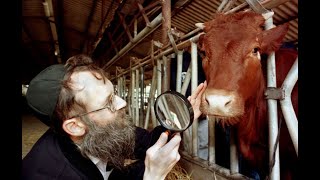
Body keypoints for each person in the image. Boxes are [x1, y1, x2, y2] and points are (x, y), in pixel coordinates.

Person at [22, 54, 207, 180]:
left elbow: (150, 142)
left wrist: (180, 119)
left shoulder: (103, 129)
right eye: (109, 101)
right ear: (75, 126)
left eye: (114, 93)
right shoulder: (47, 174)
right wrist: (152, 176)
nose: (122, 103)